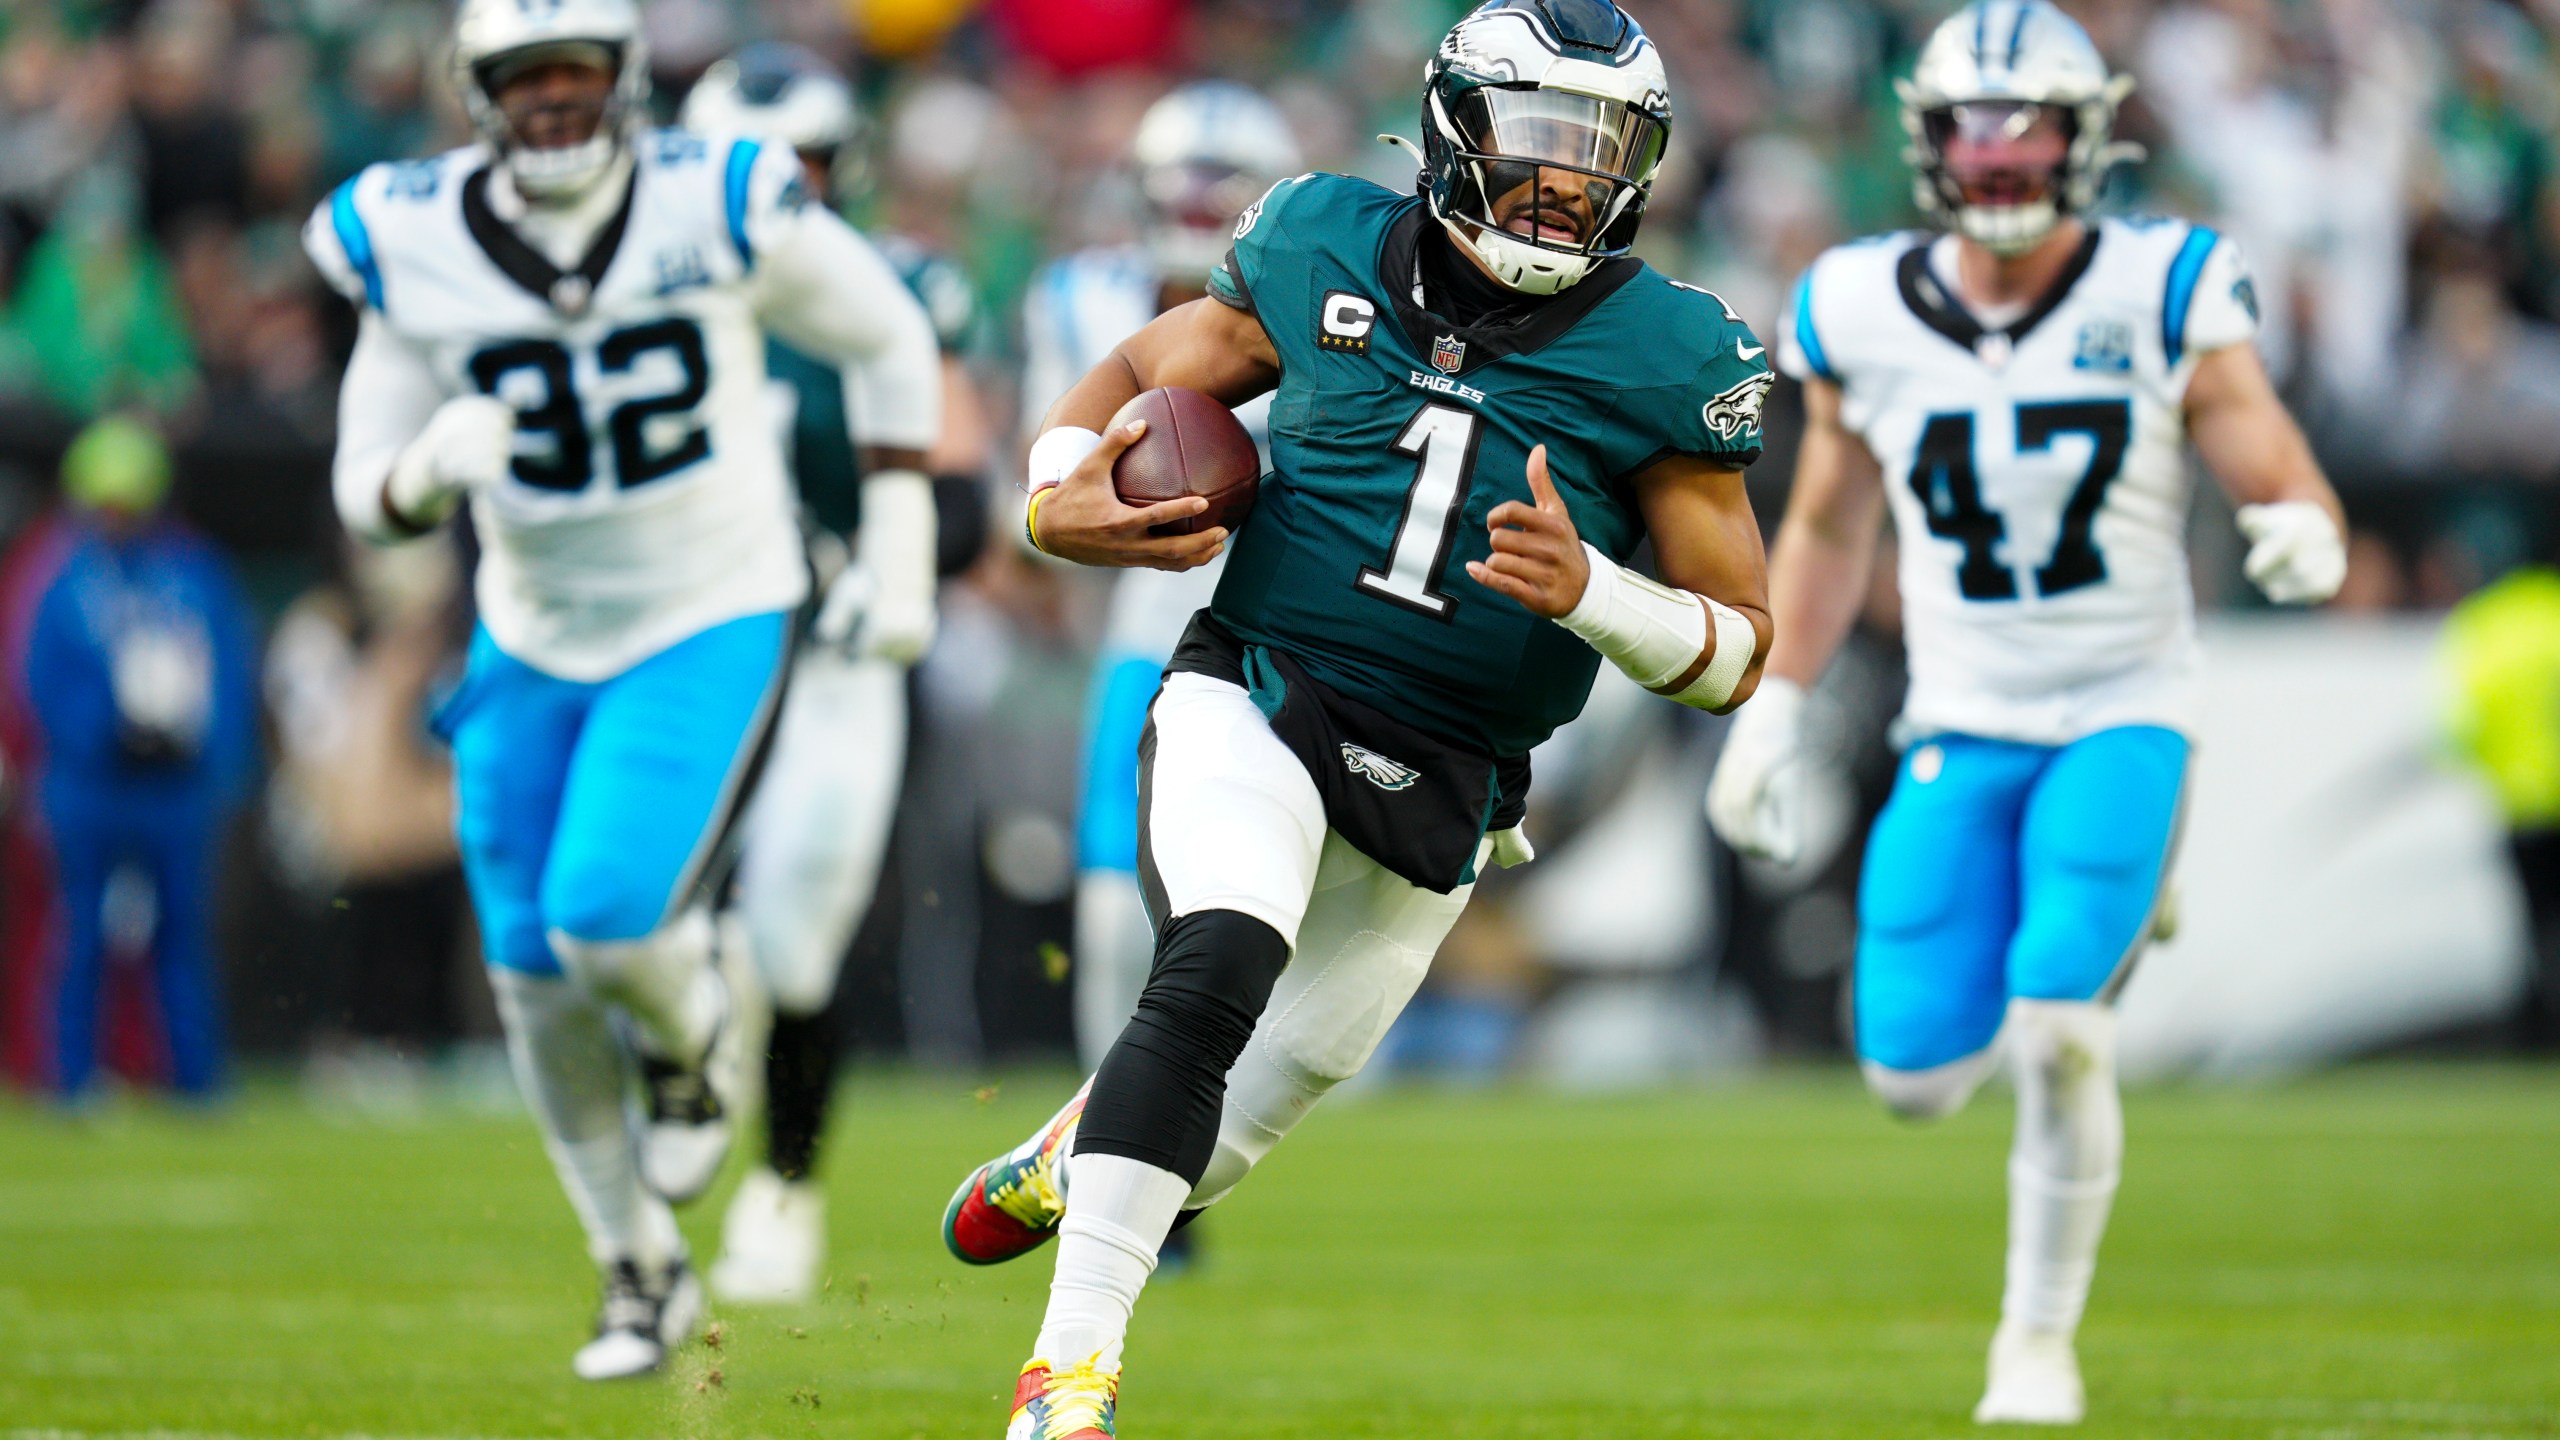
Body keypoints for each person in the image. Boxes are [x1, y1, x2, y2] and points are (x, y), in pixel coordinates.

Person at [941, 3, 1775, 1433]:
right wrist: (1060, 486)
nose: (1569, 182)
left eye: (1601, 150)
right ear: (1456, 127)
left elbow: (1737, 651)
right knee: (1215, 960)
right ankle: (1065, 1383)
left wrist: (1593, 596)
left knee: (1228, 1121)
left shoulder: (1669, 351)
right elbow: (1145, 374)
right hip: (1255, 686)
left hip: (1452, 777)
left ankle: (1078, 1146)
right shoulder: (1319, 238)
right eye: (1541, 140)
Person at [1704, 2, 2348, 1423]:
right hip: (1963, 714)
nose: (1999, 162)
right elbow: (1825, 526)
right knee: (1913, 1078)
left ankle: (2034, 1346)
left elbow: (2259, 438)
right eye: (1971, 134)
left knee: (2059, 1023)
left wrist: (2296, 517)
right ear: (1925, 144)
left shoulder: (2163, 279)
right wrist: (1774, 702)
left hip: (2126, 700)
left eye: (2029, 131)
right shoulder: (1858, 302)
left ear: (2087, 133)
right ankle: (2117, 890)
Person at [303, 0, 938, 1379]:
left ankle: (696, 1029)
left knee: (603, 917)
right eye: (523, 78)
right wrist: (420, 476)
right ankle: (634, 1264)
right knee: (528, 969)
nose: (551, 102)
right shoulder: (407, 231)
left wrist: (896, 558)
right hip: (529, 632)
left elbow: (890, 335)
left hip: (708, 607)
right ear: (475, 92)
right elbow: (367, 479)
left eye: (574, 73)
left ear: (625, 82)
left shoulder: (712, 199)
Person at [678, 42, 966, 1306]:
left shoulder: (895, 289)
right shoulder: (652, 286)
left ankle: (785, 1183)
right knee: (653, 917)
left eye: (799, 164)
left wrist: (876, 561)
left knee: (798, 930)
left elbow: (962, 493)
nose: (779, 193)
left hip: (840, 650)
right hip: (684, 641)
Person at [1036, 79, 1300, 1085]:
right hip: (1149, 639)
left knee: (1237, 927)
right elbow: (1049, 487)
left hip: (1286, 640)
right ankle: (1111, 1139)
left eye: (1215, 189)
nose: (1190, 208)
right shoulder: (1079, 299)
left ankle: (1185, 1145)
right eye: (1177, 184)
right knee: (1111, 917)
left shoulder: (1317, 306)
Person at [25, 415, 257, 1102]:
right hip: (91, 785)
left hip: (175, 787)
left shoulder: (193, 574)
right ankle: (69, 1080)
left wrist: (213, 760)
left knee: (182, 934)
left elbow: (230, 673)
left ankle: (194, 1079)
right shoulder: (64, 581)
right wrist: (102, 735)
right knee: (81, 933)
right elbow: (38, 680)